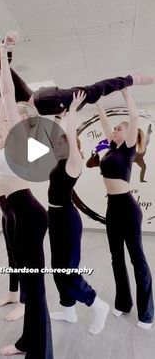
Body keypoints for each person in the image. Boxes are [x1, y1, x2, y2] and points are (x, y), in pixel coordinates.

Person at [0, 33, 53, 358]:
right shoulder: (12, 138)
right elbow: (4, 95)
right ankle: (30, 340)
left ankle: (36, 347)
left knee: (35, 287)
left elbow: (12, 96)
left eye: (15, 114)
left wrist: (6, 52)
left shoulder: (28, 139)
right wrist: (1, 64)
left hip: (28, 214)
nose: (8, 115)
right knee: (29, 283)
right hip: (17, 212)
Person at [47, 92, 109, 334]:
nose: (58, 145)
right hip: (55, 217)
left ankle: (96, 304)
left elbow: (70, 138)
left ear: (74, 147)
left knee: (68, 271)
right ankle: (69, 311)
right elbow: (56, 138)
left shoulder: (75, 163)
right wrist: (58, 118)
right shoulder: (60, 161)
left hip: (66, 220)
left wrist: (72, 111)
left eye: (63, 144)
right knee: (58, 269)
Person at [96, 88, 154, 329]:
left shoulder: (129, 146)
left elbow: (133, 118)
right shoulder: (112, 148)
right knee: (116, 259)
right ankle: (123, 303)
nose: (115, 130)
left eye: (119, 129)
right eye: (116, 129)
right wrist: (97, 99)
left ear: (128, 134)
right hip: (113, 208)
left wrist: (125, 92)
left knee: (137, 259)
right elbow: (103, 121)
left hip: (128, 209)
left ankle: (147, 313)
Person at [0, 37, 155, 116]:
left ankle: (132, 78)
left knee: (93, 91)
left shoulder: (4, 73)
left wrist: (7, 47)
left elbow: (6, 60)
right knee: (88, 98)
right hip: (48, 108)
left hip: (47, 99)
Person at [0, 163, 25, 322]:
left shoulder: (16, 161)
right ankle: (13, 294)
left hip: (17, 214)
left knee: (22, 259)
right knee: (11, 257)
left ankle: (25, 302)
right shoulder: (1, 161)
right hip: (6, 215)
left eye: (0, 135)